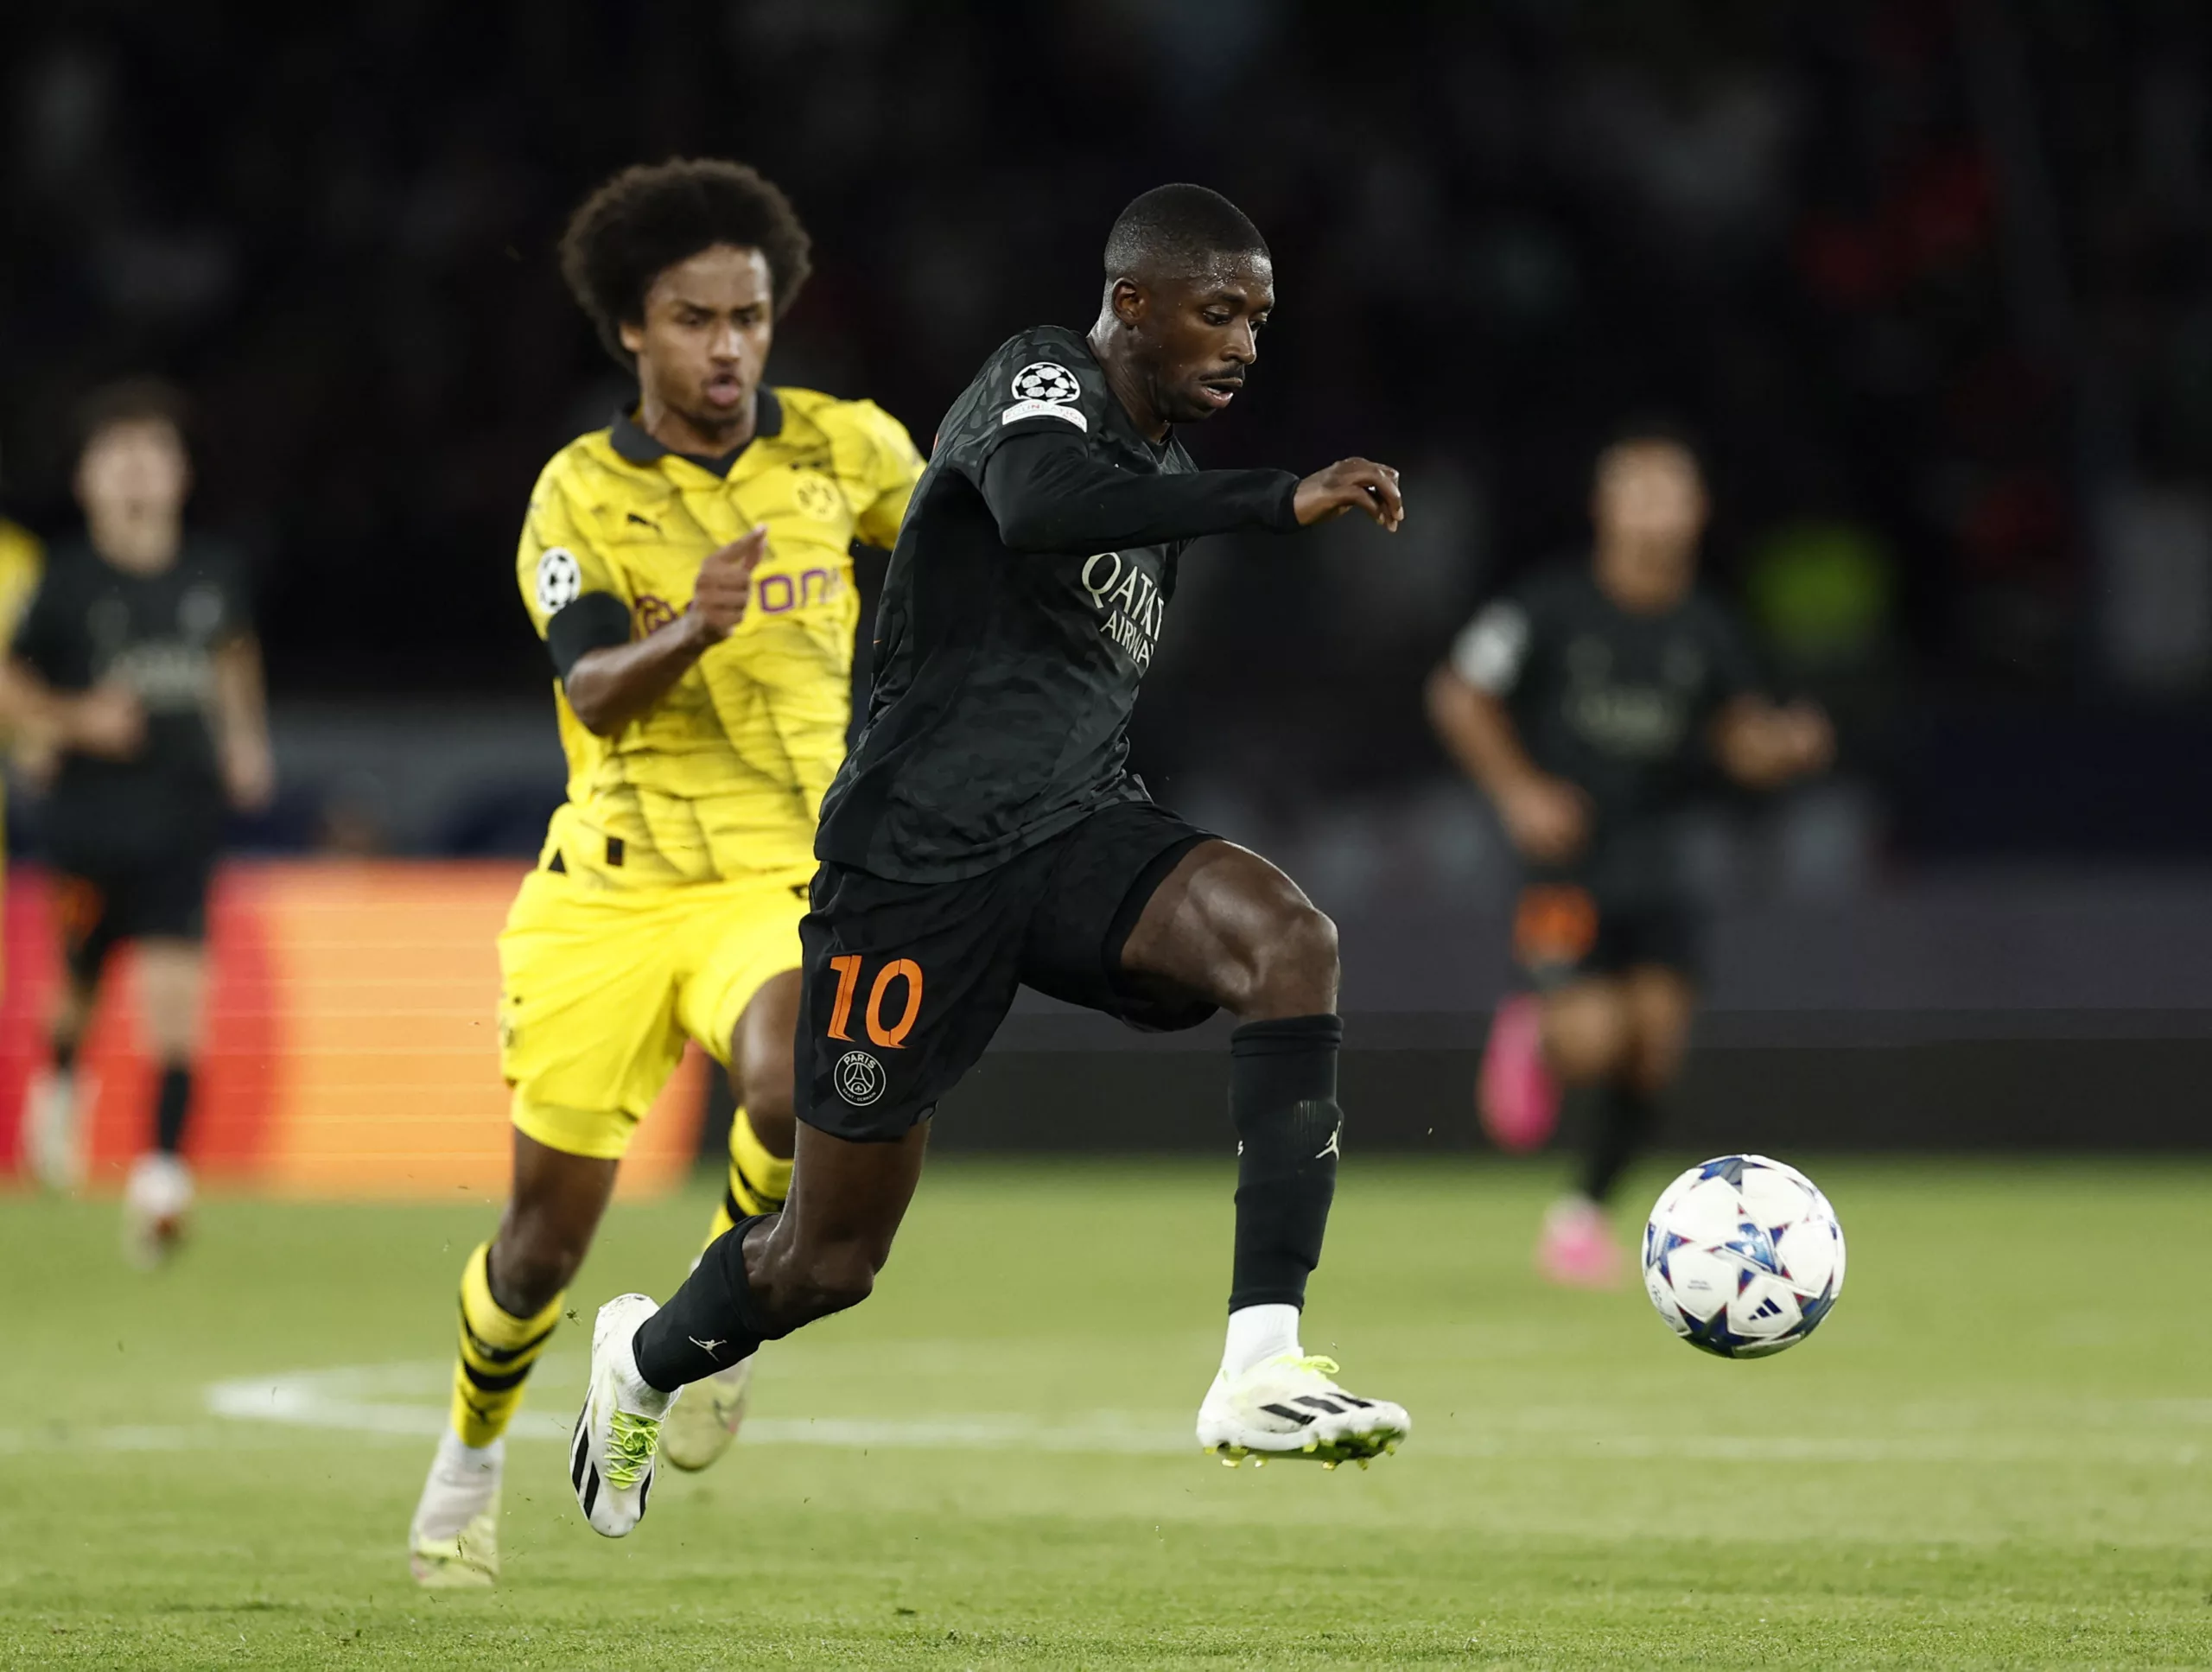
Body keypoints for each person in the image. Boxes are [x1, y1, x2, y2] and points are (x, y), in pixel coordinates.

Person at [563, 182, 1414, 1539]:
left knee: (1285, 937)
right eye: (1218, 312)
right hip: (913, 863)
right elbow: (1032, 503)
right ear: (1132, 302)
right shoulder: (1042, 378)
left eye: (1259, 319)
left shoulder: (1165, 487)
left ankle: (1262, 1360)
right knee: (828, 1257)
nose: (1245, 344)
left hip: (1075, 827)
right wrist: (1274, 499)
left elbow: (1070, 695)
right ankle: (644, 1360)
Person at [404, 158, 925, 1586]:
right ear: (632, 327)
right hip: (610, 891)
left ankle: (716, 1315)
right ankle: (469, 1454)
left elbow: (970, 540)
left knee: (797, 1080)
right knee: (538, 1251)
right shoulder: (578, 491)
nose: (729, 347)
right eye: (695, 319)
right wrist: (692, 627)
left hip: (778, 878)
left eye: (748, 316)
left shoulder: (845, 450)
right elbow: (589, 688)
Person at [1425, 429, 1833, 1287]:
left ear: (1698, 511)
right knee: (1594, 1040)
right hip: (1565, 867)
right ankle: (1536, 1030)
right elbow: (1458, 692)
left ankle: (1581, 1215)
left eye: (1670, 493)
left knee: (1655, 1049)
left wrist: (1782, 747)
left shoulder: (1708, 626)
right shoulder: (1549, 606)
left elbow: (1738, 741)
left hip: (1660, 860)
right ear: (1603, 508)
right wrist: (1519, 792)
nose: (1654, 511)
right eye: (1637, 492)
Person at [4, 380, 273, 1258]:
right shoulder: (67, 581)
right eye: (117, 457)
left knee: (176, 999)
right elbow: (11, 682)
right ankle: (61, 1081)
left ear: (180, 474)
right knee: (77, 986)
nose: (135, 474)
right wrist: (76, 720)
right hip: (87, 822)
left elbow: (233, 656)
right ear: (86, 478)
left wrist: (245, 740)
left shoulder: (212, 573)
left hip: (181, 816)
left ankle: (161, 1178)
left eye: (152, 455)